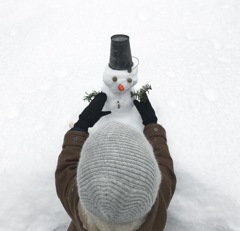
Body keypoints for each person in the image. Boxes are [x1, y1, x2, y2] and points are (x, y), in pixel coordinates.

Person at [55, 93, 176, 231]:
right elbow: (165, 165)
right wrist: (152, 124)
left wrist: (81, 125)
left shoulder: (74, 201)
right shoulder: (159, 201)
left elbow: (65, 169)